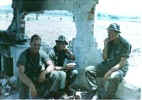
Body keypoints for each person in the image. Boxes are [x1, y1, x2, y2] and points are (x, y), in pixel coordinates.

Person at [85, 23, 131, 99]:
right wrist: (105, 45)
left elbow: (121, 63)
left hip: (120, 68)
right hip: (109, 64)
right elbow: (105, 58)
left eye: (112, 32)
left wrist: (109, 72)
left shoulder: (125, 44)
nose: (110, 34)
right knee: (89, 70)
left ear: (117, 33)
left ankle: (109, 97)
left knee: (113, 77)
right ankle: (94, 90)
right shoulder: (109, 42)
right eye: (109, 32)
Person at [17, 34, 66, 99]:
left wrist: (44, 72)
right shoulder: (24, 55)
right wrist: (31, 86)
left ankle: (47, 95)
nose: (37, 47)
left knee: (55, 74)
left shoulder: (41, 53)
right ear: (30, 43)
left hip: (38, 78)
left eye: (39, 45)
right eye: (35, 44)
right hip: (28, 80)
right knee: (22, 81)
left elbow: (51, 65)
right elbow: (21, 73)